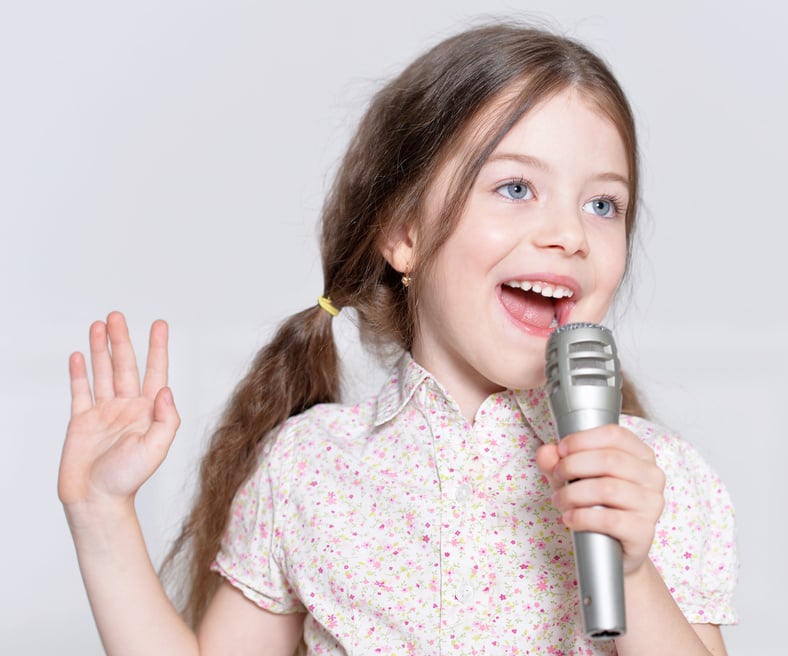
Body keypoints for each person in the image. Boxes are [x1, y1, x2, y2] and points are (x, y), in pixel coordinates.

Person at [58, 21, 738, 655]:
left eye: (602, 204)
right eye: (514, 187)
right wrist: (101, 512)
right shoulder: (309, 469)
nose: (568, 234)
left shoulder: (658, 480)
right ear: (404, 235)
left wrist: (633, 569)